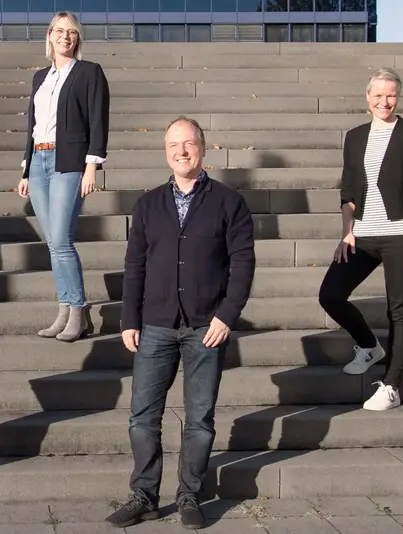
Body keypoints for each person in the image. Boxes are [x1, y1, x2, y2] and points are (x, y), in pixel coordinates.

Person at [106, 117, 256, 529]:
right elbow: (134, 264)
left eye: (189, 144)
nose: (182, 151)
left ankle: (189, 494)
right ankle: (145, 495)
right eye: (174, 144)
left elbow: (243, 264)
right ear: (165, 151)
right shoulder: (148, 203)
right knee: (142, 416)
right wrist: (128, 318)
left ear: (204, 149)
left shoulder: (229, 202)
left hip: (207, 326)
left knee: (200, 419)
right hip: (154, 324)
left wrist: (227, 315)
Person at [318, 67, 403, 412]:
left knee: (399, 309)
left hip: (402, 234)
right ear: (367, 98)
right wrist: (347, 232)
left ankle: (393, 385)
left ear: (398, 97)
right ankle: (368, 345)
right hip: (364, 234)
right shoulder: (355, 136)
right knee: (331, 294)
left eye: (391, 95)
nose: (385, 101)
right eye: (378, 95)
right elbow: (349, 189)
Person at [16, 10, 110, 343]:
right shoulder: (39, 77)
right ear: (49, 35)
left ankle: (79, 309)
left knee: (60, 240)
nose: (65, 36)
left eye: (71, 32)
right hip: (39, 161)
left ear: (77, 38)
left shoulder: (89, 73)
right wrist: (26, 168)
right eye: (59, 30)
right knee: (53, 242)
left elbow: (98, 121)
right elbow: (33, 124)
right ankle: (65, 310)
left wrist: (92, 166)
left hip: (68, 161)